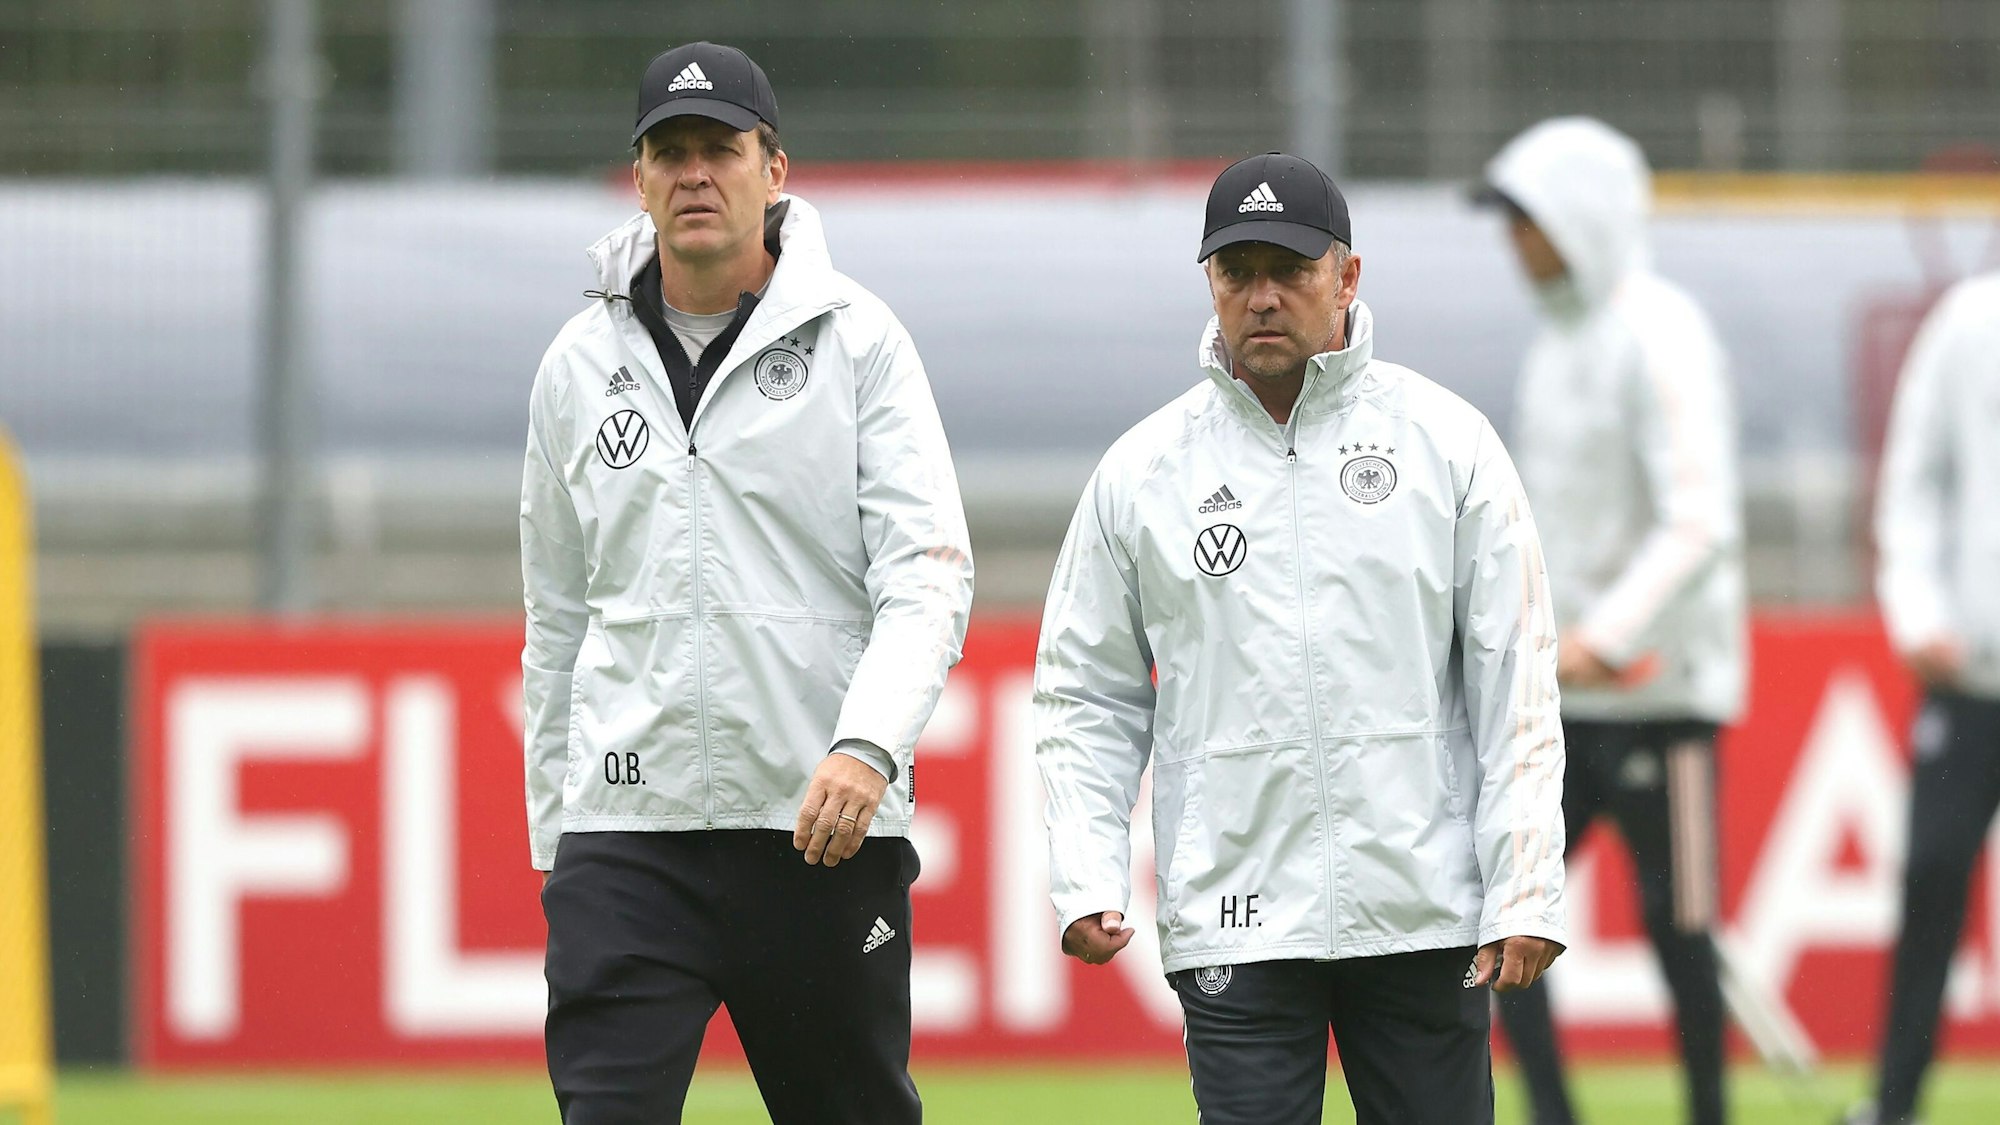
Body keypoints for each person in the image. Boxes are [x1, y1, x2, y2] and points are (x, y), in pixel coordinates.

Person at [1034, 151, 1568, 1125]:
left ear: (1346, 276)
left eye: (1290, 268)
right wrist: (1083, 870)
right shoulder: (1142, 470)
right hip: (1233, 912)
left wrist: (1523, 884)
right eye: (1238, 273)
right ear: (1210, 284)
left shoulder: (1446, 444)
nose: (1264, 296)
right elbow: (1084, 692)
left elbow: (1513, 684)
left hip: (1419, 910)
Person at [517, 41, 972, 1125]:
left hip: (816, 829)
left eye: (718, 150)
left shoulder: (860, 342)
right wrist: (556, 840)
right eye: (666, 152)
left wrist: (867, 746)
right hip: (627, 837)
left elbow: (928, 575)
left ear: (775, 171)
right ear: (637, 178)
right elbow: (558, 619)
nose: (692, 174)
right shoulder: (576, 365)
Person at [1476, 117, 1747, 1125]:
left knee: (1679, 933)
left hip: (1662, 695)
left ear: (1573, 217)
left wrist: (1611, 636)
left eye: (1524, 220)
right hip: (1559, 699)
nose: (1513, 243)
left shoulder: (1660, 330)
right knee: (1500, 910)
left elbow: (1698, 518)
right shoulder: (1552, 344)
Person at [1844, 271, 2000, 1125]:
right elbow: (1914, 482)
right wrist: (1920, 612)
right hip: (1970, 674)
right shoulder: (1969, 320)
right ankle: (1896, 1101)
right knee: (1934, 873)